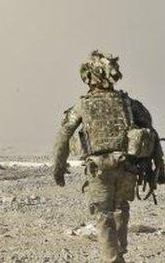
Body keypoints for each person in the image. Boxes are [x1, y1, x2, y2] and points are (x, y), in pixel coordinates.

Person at [53, 50, 164, 263]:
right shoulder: (130, 104)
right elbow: (152, 134)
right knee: (121, 208)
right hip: (127, 167)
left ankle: (112, 259)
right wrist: (160, 169)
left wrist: (58, 167)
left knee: (104, 215)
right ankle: (119, 254)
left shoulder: (83, 105)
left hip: (99, 169)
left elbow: (63, 135)